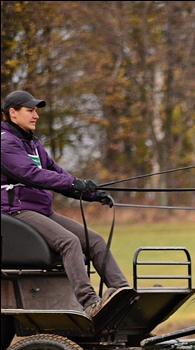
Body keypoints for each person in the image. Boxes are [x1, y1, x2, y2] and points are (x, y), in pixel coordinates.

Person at [1, 90, 129, 317]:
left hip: (40, 209)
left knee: (95, 241)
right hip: (16, 211)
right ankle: (90, 304)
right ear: (13, 113)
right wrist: (75, 183)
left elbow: (58, 175)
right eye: (30, 111)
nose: (36, 116)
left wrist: (92, 193)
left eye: (36, 111)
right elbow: (31, 175)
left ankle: (122, 293)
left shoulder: (33, 144)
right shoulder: (5, 143)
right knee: (69, 242)